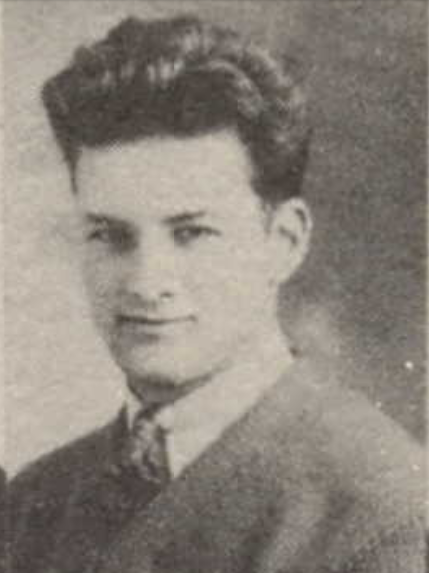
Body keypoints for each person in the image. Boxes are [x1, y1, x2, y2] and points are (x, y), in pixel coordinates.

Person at [7, 14, 424, 573]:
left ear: (284, 241)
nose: (146, 282)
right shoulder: (34, 504)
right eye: (110, 235)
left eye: (192, 233)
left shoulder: (381, 518)